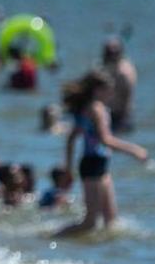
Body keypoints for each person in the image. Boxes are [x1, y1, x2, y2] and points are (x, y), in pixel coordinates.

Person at [55, 69, 149, 238]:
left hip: (98, 164)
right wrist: (135, 150)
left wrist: (68, 167)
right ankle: (53, 238)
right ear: (97, 90)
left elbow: (71, 138)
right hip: (92, 165)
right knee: (90, 223)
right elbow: (106, 140)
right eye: (109, 89)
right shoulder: (97, 109)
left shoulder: (87, 108)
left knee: (111, 222)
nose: (112, 93)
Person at [101, 38, 138, 133]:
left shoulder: (124, 72)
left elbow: (127, 97)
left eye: (113, 53)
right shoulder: (110, 66)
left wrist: (123, 119)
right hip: (111, 114)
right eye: (108, 52)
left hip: (121, 117)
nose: (110, 55)